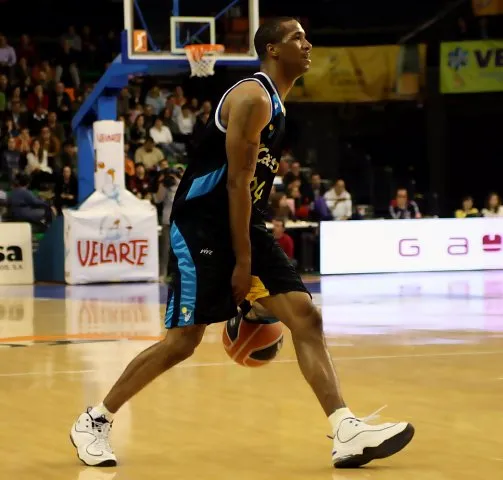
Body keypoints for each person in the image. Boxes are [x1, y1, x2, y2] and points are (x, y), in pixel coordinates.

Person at [70, 17, 414, 469]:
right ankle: (95, 420)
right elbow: (235, 183)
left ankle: (345, 429)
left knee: (306, 317)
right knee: (183, 342)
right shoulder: (254, 97)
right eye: (297, 38)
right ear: (272, 49)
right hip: (202, 225)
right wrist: (243, 261)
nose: (308, 44)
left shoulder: (276, 105)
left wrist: (250, 249)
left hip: (244, 222)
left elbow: (247, 190)